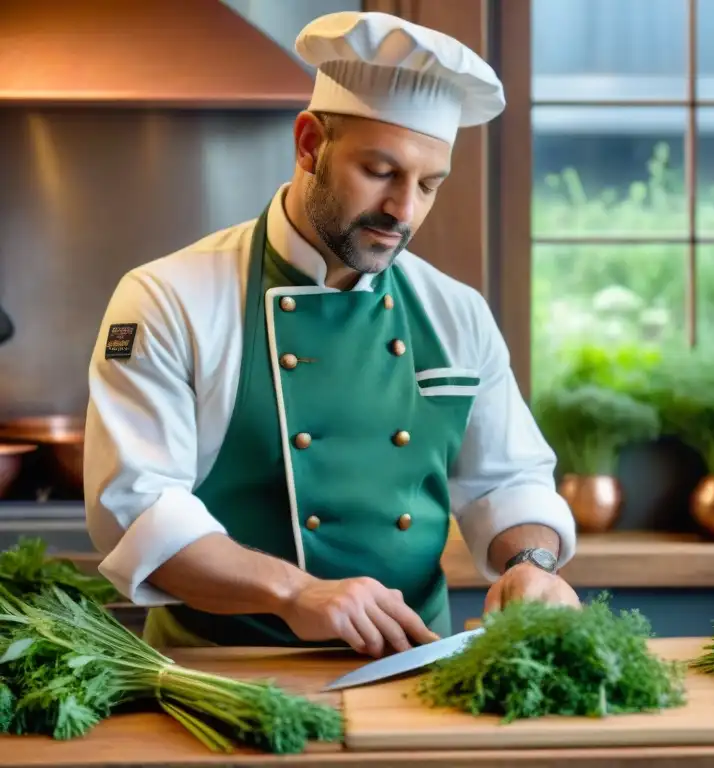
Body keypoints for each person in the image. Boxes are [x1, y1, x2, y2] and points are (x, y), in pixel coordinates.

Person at [83, 11, 580, 656]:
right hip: (222, 675)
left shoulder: (456, 312)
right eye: (381, 172)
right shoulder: (169, 298)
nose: (403, 211)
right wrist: (294, 592)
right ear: (311, 143)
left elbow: (507, 481)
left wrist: (531, 565)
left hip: (414, 664)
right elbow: (137, 509)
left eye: (428, 185)